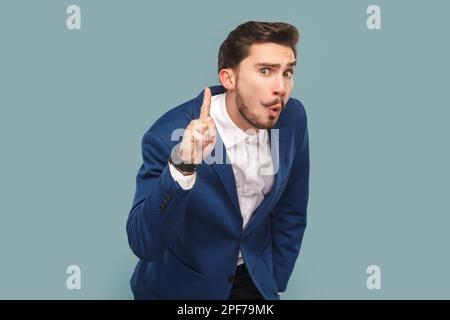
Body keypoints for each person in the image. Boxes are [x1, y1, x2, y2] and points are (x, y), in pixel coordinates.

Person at [126, 21, 309, 300]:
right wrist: (184, 164)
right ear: (228, 79)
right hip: (184, 287)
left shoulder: (293, 118)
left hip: (254, 278)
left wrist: (275, 279)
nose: (280, 87)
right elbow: (144, 243)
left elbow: (291, 208)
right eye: (265, 71)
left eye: (287, 73)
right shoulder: (167, 135)